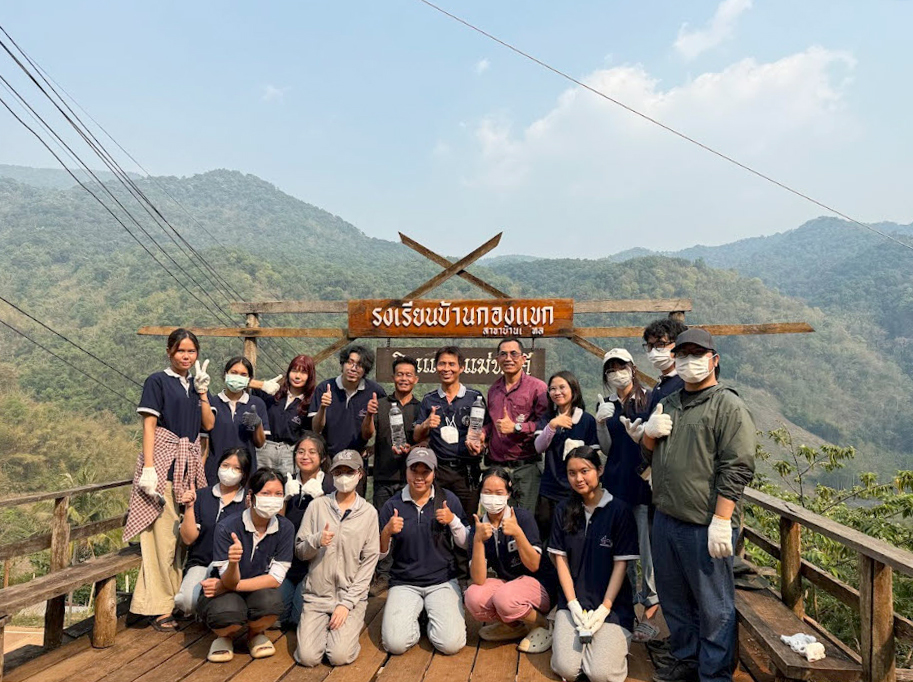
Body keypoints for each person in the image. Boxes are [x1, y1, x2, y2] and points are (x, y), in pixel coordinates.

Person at [641, 328, 756, 682]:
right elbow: (647, 457)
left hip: (704, 524)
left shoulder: (727, 405)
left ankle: (714, 674)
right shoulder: (670, 403)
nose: (688, 361)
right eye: (682, 354)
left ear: (714, 360)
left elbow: (737, 467)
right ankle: (686, 659)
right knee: (674, 599)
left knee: (713, 606)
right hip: (666, 518)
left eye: (696, 354)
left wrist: (722, 520)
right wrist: (648, 434)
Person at [125, 328, 213, 631]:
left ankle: (167, 601)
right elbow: (149, 426)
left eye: (191, 351)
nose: (186, 356)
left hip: (187, 470)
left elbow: (208, 424)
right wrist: (149, 468)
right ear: (169, 352)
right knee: (161, 541)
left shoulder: (195, 385)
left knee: (179, 542)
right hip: (163, 466)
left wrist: (203, 392)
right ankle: (159, 608)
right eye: (180, 351)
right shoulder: (157, 381)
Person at [548, 446, 639, 682]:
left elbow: (621, 566)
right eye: (572, 473)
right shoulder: (563, 510)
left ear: (599, 470)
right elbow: (560, 560)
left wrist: (604, 609)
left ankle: (609, 645)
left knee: (601, 674)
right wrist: (572, 604)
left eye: (585, 471)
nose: (578, 478)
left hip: (612, 607)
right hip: (573, 603)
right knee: (567, 669)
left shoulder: (619, 511)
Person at [378, 447, 469, 656]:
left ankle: (428, 616)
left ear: (434, 473)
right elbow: (380, 554)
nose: (419, 477)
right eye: (414, 471)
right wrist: (387, 532)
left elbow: (466, 543)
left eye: (425, 472)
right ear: (406, 471)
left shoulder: (448, 500)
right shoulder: (392, 505)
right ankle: (418, 618)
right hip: (404, 582)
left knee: (451, 644)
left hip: (442, 581)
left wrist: (453, 521)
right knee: (395, 644)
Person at [594, 348, 658, 641]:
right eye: (611, 369)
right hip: (615, 486)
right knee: (623, 550)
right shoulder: (607, 404)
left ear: (632, 368)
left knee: (647, 551)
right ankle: (628, 608)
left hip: (642, 486)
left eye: (621, 367)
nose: (616, 373)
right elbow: (608, 449)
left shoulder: (648, 400)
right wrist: (600, 423)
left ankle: (651, 612)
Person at [198, 468, 294, 663]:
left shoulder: (285, 528)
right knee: (226, 613)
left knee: (273, 603)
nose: (272, 499)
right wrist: (233, 563)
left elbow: (275, 579)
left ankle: (254, 633)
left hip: (252, 589)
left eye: (278, 494)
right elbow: (227, 578)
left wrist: (224, 586)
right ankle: (225, 637)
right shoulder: (227, 527)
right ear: (251, 496)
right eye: (266, 493)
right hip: (223, 592)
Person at [294, 450, 380, 667]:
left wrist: (347, 604)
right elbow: (300, 551)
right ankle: (320, 632)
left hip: (349, 597)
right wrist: (316, 541)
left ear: (360, 474)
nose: (343, 477)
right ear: (331, 475)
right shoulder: (317, 506)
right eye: (338, 472)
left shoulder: (369, 513)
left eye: (349, 472)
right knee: (307, 657)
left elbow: (369, 562)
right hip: (317, 597)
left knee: (339, 656)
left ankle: (344, 634)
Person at [465, 467, 558, 654]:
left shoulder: (522, 517)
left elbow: (534, 565)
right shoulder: (479, 525)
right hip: (510, 586)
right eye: (487, 492)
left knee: (505, 598)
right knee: (473, 597)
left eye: (499, 493)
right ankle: (514, 626)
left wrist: (518, 533)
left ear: (508, 494)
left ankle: (542, 624)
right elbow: (479, 579)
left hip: (540, 586)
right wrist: (478, 541)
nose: (493, 498)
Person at [361, 354, 420, 594]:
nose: (404, 378)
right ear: (393, 377)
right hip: (384, 476)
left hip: (412, 479)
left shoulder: (420, 408)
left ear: (415, 379)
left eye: (408, 375)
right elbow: (367, 435)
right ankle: (383, 575)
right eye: (400, 374)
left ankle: (408, 573)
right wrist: (369, 414)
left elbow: (425, 440)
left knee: (411, 527)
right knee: (383, 527)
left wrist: (411, 449)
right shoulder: (381, 404)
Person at [175, 448, 250, 617]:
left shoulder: (247, 501)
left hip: (232, 567)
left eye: (236, 468)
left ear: (244, 474)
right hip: (201, 563)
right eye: (225, 465)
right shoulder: (201, 496)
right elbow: (188, 539)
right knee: (187, 602)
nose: (229, 471)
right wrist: (189, 507)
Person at [414, 346, 486, 517]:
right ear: (436, 367)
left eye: (452, 364)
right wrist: (426, 424)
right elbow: (416, 435)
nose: (446, 369)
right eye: (442, 364)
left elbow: (486, 430)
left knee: (467, 520)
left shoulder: (474, 397)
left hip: (467, 471)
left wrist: (481, 442)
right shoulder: (429, 399)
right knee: (437, 519)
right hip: (439, 471)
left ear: (461, 368)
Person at [481, 337, 549, 512]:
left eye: (513, 354)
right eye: (503, 354)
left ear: (523, 359)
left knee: (524, 518)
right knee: (497, 518)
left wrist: (517, 427)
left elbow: (545, 425)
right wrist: (482, 433)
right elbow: (491, 423)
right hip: (497, 467)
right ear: (497, 359)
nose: (508, 358)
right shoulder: (494, 390)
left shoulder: (538, 388)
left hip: (526, 466)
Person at [279, 432, 335, 627]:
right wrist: (284, 499)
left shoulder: (330, 484)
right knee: (276, 615)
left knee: (299, 619)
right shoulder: (287, 482)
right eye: (301, 452)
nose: (305, 456)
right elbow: (276, 524)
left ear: (323, 458)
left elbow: (334, 526)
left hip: (315, 564)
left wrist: (321, 498)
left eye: (312, 452)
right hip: (288, 561)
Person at [534, 371, 599, 539]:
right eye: (552, 389)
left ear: (573, 389)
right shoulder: (548, 418)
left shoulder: (586, 420)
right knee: (546, 536)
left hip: (576, 491)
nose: (557, 392)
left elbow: (594, 458)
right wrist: (552, 426)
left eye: (562, 387)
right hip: (549, 490)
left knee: (573, 537)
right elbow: (539, 447)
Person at [310, 343, 386, 456]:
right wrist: (323, 407)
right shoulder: (324, 388)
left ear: (365, 370)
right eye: (350, 362)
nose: (353, 368)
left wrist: (375, 447)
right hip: (327, 456)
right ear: (342, 364)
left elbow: (383, 427)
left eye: (360, 365)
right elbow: (316, 429)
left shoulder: (375, 392)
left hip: (357, 457)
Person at [204, 356, 270, 485]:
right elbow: (204, 442)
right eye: (233, 373)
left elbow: (260, 443)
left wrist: (258, 424)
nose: (237, 377)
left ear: (249, 379)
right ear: (225, 374)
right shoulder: (213, 402)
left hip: (245, 471)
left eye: (243, 374)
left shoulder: (257, 404)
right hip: (215, 469)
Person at [254, 354, 317, 477]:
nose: (297, 376)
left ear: (310, 376)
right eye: (294, 371)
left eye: (303, 372)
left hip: (290, 453)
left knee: (289, 486)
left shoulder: (311, 402)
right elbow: (242, 384)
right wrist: (261, 385)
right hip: (264, 449)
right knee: (261, 483)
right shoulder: (273, 392)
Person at [642, 318, 688, 415]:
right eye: (650, 346)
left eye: (660, 344)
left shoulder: (685, 383)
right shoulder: (660, 385)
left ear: (678, 345)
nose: (654, 351)